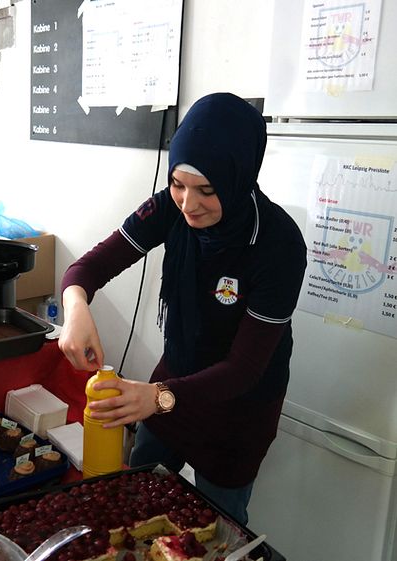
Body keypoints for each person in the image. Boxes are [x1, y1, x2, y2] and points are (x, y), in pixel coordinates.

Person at [58, 92, 307, 525]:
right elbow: (88, 266)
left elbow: (245, 369)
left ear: (239, 176)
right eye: (178, 184)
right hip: (172, 379)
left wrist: (157, 396)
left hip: (238, 411)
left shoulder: (278, 245)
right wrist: (75, 306)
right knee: (134, 502)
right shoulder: (168, 207)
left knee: (214, 527)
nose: (189, 205)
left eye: (207, 190)